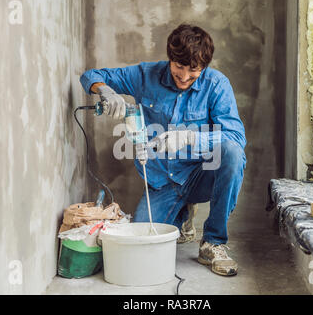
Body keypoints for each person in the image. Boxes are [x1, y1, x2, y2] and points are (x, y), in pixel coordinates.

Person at [80, 24, 247, 276]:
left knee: (232, 154)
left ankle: (213, 242)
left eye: (194, 71)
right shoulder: (146, 75)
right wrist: (105, 90)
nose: (184, 76)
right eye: (179, 67)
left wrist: (190, 137)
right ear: (170, 58)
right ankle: (182, 217)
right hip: (163, 182)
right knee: (141, 245)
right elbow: (91, 75)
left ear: (203, 67)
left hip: (201, 175)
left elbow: (235, 137)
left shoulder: (216, 85)